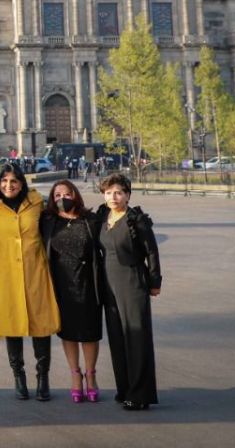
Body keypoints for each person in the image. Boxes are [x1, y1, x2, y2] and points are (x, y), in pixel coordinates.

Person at [0, 163, 60, 401]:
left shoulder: (36, 202)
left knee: (41, 325)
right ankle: (18, 377)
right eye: (5, 181)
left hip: (35, 271)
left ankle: (43, 378)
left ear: (22, 183)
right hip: (6, 273)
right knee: (12, 325)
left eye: (14, 181)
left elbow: (57, 225)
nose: (9, 186)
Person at [96, 173, 162, 411]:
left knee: (136, 337)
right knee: (117, 337)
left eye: (118, 192)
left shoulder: (136, 220)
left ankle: (140, 394)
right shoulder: (103, 216)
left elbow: (151, 252)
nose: (113, 197)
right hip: (109, 284)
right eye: (109, 192)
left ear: (127, 195)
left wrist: (155, 282)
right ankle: (124, 389)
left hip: (133, 283)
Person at [41, 179, 104, 403]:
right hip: (61, 285)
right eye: (57, 196)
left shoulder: (90, 220)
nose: (62, 199)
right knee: (68, 332)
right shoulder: (49, 221)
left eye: (66, 194)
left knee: (89, 332)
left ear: (75, 195)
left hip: (88, 283)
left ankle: (91, 375)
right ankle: (75, 375)